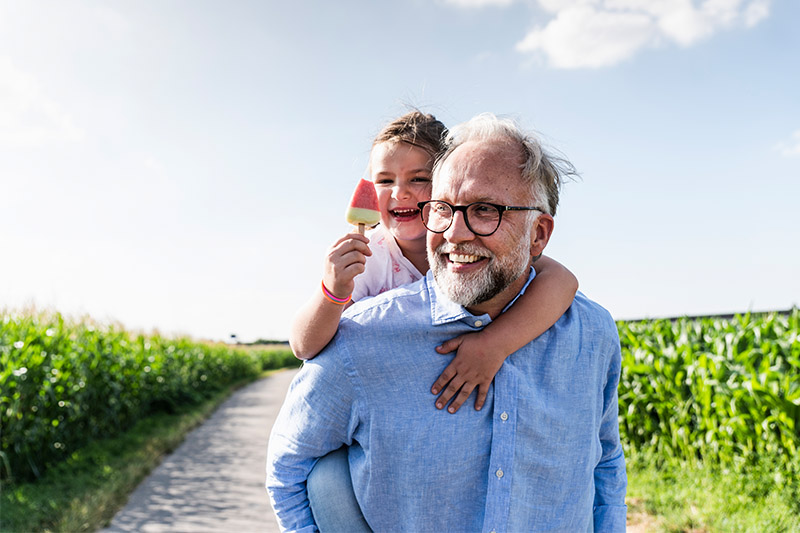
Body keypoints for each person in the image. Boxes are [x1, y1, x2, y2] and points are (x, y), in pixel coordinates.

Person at [267, 113, 627, 532]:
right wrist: (332, 291)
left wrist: (495, 343)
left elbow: (604, 464)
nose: (456, 233)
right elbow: (290, 465)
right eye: (444, 209)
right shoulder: (363, 324)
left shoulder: (592, 334)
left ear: (539, 235)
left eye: (485, 210)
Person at [290, 110, 578, 414]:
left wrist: (495, 344)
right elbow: (303, 345)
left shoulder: (471, 245)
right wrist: (332, 291)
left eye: (418, 179)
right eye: (384, 180)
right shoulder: (368, 256)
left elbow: (563, 281)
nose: (400, 192)